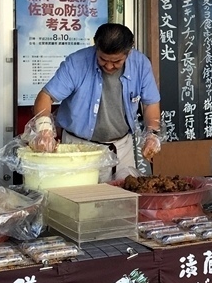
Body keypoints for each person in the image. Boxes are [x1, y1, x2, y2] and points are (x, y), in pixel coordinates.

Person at [31, 23, 161, 181]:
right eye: (103, 59)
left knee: (123, 198)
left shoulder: (141, 65)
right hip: (78, 148)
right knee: (81, 199)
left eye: (116, 61)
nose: (109, 66)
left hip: (121, 146)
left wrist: (152, 135)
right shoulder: (77, 63)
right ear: (95, 46)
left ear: (129, 52)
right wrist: (44, 129)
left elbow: (150, 103)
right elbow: (45, 96)